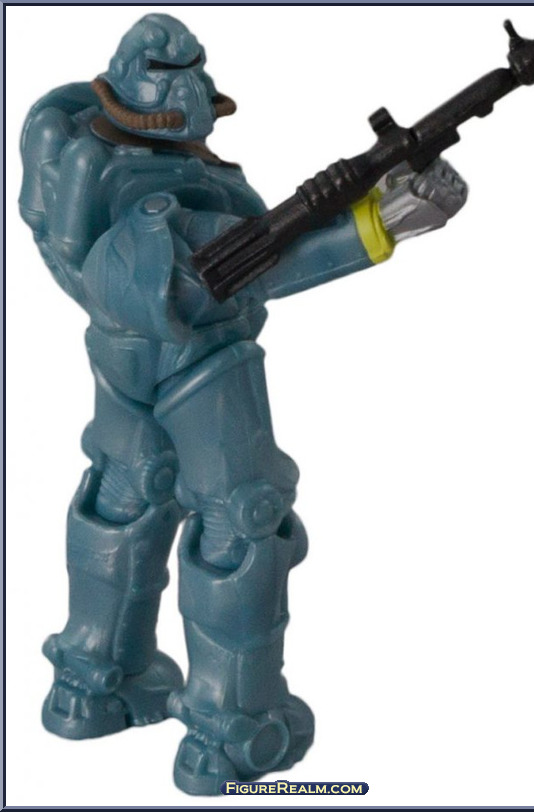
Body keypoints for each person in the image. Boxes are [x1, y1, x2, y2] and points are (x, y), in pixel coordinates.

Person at [19, 13, 467, 795]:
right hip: (203, 362)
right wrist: (379, 223)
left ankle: (89, 682)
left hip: (121, 355)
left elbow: (86, 249)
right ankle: (228, 729)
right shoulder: (163, 195)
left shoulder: (80, 160)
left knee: (126, 494)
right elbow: (250, 270)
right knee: (241, 520)